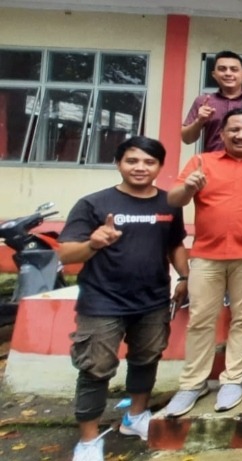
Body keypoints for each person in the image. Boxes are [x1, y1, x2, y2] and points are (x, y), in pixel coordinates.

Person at [59, 137, 188, 461]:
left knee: (146, 359)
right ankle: (88, 441)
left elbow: (174, 245)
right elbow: (66, 253)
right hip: (102, 301)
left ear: (159, 166)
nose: (140, 167)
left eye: (149, 162)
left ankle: (135, 418)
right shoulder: (93, 204)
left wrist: (185, 277)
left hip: (152, 300)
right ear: (119, 163)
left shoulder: (169, 203)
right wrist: (93, 243)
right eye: (132, 161)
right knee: (95, 368)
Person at [165, 109, 242, 417]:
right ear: (221, 134)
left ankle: (233, 379)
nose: (241, 135)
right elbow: (174, 200)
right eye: (234, 129)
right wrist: (189, 187)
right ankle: (193, 384)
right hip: (206, 257)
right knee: (200, 319)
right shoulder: (202, 162)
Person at [181, 50, 242, 151]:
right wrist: (199, 121)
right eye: (222, 69)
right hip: (213, 159)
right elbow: (187, 139)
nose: (228, 73)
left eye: (234, 69)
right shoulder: (203, 102)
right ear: (214, 74)